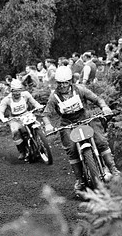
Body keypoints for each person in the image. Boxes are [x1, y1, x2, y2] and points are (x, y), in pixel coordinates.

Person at [42, 66, 117, 194]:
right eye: (60, 83)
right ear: (57, 83)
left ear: (70, 81)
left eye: (65, 82)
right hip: (68, 124)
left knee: (100, 140)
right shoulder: (54, 97)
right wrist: (48, 125)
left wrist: (104, 107)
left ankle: (113, 169)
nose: (63, 86)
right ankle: (80, 180)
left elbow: (97, 99)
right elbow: (45, 114)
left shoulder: (80, 90)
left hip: (85, 119)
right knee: (71, 149)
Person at [0, 79, 44, 161]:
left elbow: (34, 102)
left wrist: (39, 106)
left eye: (19, 91)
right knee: (15, 131)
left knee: (36, 123)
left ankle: (40, 139)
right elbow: (0, 111)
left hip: (26, 114)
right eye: (15, 91)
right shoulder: (6, 99)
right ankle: (22, 151)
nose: (18, 93)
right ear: (11, 91)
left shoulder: (25, 94)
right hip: (15, 118)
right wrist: (2, 118)